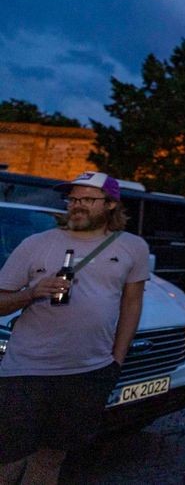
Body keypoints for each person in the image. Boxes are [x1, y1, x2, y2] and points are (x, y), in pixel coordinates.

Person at [0, 171, 148, 484]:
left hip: (87, 373)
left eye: (87, 199)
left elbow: (132, 304)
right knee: (8, 459)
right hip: (27, 371)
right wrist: (31, 293)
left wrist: (116, 361)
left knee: (50, 458)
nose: (77, 205)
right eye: (73, 199)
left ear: (110, 204)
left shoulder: (133, 247)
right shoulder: (36, 244)